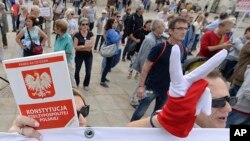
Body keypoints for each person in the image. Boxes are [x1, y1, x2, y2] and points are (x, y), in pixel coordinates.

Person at [128, 48, 237, 137]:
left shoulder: (229, 133)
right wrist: (161, 121)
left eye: (229, 100)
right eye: (219, 102)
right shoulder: (173, 132)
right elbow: (123, 134)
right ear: (190, 104)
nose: (229, 108)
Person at [130, 17, 187, 121]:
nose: (183, 31)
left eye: (185, 28)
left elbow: (179, 71)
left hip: (167, 90)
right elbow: (146, 67)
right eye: (180, 28)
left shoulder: (183, 49)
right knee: (140, 112)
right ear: (170, 31)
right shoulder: (160, 47)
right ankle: (130, 129)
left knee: (158, 115)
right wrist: (141, 86)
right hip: (152, 88)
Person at [9, 88, 90, 140]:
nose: (82, 119)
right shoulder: (42, 136)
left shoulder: (95, 135)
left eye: (84, 110)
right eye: (73, 114)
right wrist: (14, 138)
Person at [54, 19, 77, 88]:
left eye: (56, 27)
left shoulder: (68, 38)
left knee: (70, 79)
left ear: (60, 28)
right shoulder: (57, 36)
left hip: (67, 62)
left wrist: (59, 59)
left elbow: (68, 53)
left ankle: (74, 93)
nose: (54, 28)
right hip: (59, 61)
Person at [74, 18, 94, 91]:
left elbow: (91, 46)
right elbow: (75, 47)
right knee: (77, 71)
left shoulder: (90, 34)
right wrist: (86, 47)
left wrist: (81, 47)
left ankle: (86, 84)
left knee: (88, 71)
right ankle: (76, 83)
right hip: (79, 56)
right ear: (80, 25)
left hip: (88, 56)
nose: (85, 26)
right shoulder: (77, 34)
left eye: (86, 24)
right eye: (83, 24)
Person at [100, 18, 121, 88]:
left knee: (108, 66)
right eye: (115, 22)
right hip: (110, 51)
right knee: (108, 66)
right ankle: (102, 80)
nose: (116, 23)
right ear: (111, 23)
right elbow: (114, 40)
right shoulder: (111, 31)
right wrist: (120, 35)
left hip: (111, 50)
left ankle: (104, 78)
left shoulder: (111, 30)